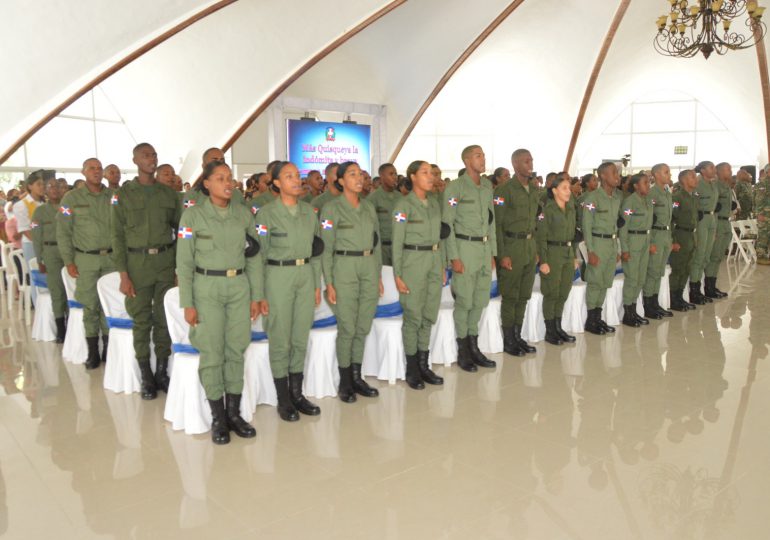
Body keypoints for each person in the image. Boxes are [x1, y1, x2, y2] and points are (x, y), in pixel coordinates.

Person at [176, 160, 262, 444]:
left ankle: (234, 413)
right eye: (220, 178)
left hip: (238, 286)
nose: (228, 183)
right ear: (207, 184)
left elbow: (254, 257)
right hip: (206, 288)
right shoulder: (192, 217)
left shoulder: (243, 215)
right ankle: (218, 418)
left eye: (230, 178)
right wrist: (188, 302)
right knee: (212, 352)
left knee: (236, 349)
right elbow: (184, 262)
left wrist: (255, 295)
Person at [112, 143, 181, 400]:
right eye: (145, 155)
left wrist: (177, 266)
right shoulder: (124, 194)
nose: (151, 159)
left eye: (153, 155)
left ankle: (162, 371)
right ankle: (145, 374)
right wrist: (123, 274)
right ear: (135, 160)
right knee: (141, 320)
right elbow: (116, 236)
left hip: (164, 261)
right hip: (136, 264)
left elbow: (180, 231)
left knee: (163, 318)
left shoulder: (168, 194)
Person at [256, 162, 322, 422]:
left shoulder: (310, 212)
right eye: (289, 176)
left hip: (305, 275)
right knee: (280, 338)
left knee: (299, 337)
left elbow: (316, 252)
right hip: (277, 276)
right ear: (276, 183)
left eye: (298, 175)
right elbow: (257, 257)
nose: (296, 180)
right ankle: (283, 398)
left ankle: (297, 393)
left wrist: (316, 284)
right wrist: (259, 293)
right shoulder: (265, 214)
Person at [320, 161, 382, 402]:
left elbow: (376, 245)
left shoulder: (368, 208)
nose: (359, 178)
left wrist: (377, 276)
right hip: (343, 268)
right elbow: (325, 249)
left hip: (367, 267)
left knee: (362, 325)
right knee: (347, 327)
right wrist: (330, 283)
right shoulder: (330, 209)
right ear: (341, 180)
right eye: (352, 175)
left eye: (361, 174)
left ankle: (357, 376)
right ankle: (345, 381)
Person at [57, 158, 115, 369]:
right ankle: (92, 351)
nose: (97, 172)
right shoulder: (70, 199)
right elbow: (63, 232)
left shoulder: (113, 196)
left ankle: (108, 348)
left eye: (100, 168)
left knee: (109, 304)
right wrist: (69, 261)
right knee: (90, 305)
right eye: (92, 168)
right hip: (86, 259)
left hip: (111, 259)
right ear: (83, 172)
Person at [392, 161, 445, 389]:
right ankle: (412, 368)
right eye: (424, 173)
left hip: (433, 261)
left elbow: (440, 238)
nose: (430, 176)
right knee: (413, 316)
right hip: (412, 263)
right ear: (412, 177)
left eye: (431, 173)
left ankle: (424, 365)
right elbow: (396, 242)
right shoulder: (403, 206)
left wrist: (442, 265)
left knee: (428, 314)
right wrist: (397, 274)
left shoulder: (434, 204)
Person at [444, 145, 496, 371]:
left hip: (484, 250)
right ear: (466, 161)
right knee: (464, 301)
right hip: (464, 248)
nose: (482, 158)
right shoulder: (455, 188)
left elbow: (491, 221)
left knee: (480, 300)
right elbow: (448, 225)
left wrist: (493, 252)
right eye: (478, 155)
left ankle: (474, 346)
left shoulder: (487, 186)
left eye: (483, 154)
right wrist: (454, 256)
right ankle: (463, 350)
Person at [494, 149, 539, 356]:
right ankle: (508, 339)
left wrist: (536, 249)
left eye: (531, 160)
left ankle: (518, 335)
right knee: (511, 296)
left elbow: (535, 222)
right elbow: (498, 225)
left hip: (529, 247)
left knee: (523, 295)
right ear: (515, 165)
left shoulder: (533, 189)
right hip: (511, 246)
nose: (530, 164)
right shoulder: (504, 191)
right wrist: (502, 254)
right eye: (526, 161)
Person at [536, 174, 578, 345]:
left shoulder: (571, 209)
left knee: (563, 292)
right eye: (564, 188)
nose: (569, 192)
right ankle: (550, 330)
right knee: (551, 293)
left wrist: (574, 256)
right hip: (552, 252)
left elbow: (573, 235)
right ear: (554, 191)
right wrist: (543, 261)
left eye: (569, 188)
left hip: (567, 253)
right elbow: (541, 238)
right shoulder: (546, 211)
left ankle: (558, 327)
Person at [582, 162, 623, 335]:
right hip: (598, 243)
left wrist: (618, 250)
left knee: (606, 282)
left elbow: (617, 225)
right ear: (603, 176)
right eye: (614, 173)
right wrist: (590, 250)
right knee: (595, 282)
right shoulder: (592, 198)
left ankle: (598, 318)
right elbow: (586, 224)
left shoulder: (617, 197)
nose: (618, 176)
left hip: (612, 244)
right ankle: (591, 321)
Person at [31, 178, 68, 342]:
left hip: (68, 252)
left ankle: (73, 324)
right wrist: (40, 259)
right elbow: (36, 236)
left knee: (71, 290)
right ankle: (61, 330)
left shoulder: (66, 208)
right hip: (51, 252)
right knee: (57, 291)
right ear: (45, 191)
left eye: (58, 186)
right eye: (50, 186)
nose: (55, 189)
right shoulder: (39, 212)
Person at [618, 173, 654, 327]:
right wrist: (625, 249)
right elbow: (623, 228)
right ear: (636, 186)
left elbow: (649, 225)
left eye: (648, 182)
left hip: (645, 241)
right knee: (632, 278)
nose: (648, 185)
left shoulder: (648, 201)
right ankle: (628, 313)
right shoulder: (629, 203)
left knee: (640, 278)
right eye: (645, 183)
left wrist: (650, 243)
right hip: (633, 242)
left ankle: (633, 310)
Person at [642, 163, 674, 319]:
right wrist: (650, 242)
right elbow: (648, 220)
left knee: (659, 271)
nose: (669, 175)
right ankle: (648, 305)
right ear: (656, 175)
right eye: (666, 172)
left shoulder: (667, 193)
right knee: (652, 272)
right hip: (655, 236)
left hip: (666, 235)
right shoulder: (651, 194)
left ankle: (655, 303)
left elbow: (669, 218)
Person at [689, 161, 718, 305]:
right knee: (699, 255)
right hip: (701, 220)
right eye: (711, 167)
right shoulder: (697, 183)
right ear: (702, 170)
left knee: (707, 255)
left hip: (711, 219)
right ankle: (694, 291)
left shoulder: (713, 184)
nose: (714, 169)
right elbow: (689, 201)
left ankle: (701, 289)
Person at [669, 170, 700, 310]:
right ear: (684, 180)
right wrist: (673, 240)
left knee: (686, 268)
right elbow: (671, 220)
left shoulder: (694, 196)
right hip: (680, 234)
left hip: (690, 236)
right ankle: (673, 299)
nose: (695, 179)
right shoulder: (676, 197)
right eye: (692, 177)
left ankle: (680, 296)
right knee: (678, 268)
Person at [704, 162, 733, 299]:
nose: (730, 171)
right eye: (728, 169)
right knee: (714, 256)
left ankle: (712, 285)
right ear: (719, 172)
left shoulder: (726, 186)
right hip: (717, 221)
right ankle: (708, 287)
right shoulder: (715, 185)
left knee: (719, 256)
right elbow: (712, 207)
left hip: (726, 221)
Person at [366, 163, 400, 265]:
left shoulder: (401, 198)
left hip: (399, 247)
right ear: (382, 177)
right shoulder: (373, 199)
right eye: (391, 174)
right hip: (381, 249)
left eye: (395, 173)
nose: (394, 177)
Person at [13, 170, 47, 269]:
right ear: (30, 186)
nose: (42, 187)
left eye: (43, 184)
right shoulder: (21, 205)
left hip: (47, 243)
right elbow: (26, 228)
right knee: (36, 275)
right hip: (32, 244)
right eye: (38, 184)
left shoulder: (44, 204)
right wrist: (40, 245)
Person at [755, 164, 770, 264]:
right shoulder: (763, 183)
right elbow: (759, 199)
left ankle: (765, 255)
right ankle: (761, 257)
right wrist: (759, 213)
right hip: (764, 213)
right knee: (764, 235)